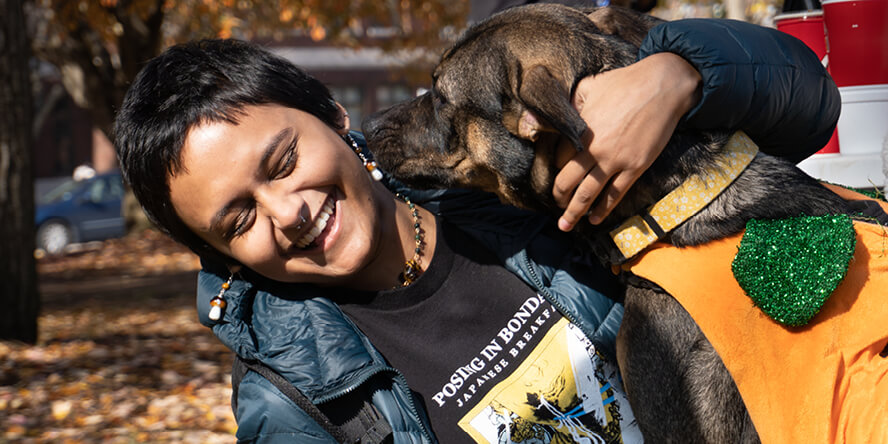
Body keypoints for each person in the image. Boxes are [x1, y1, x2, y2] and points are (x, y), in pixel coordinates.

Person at [114, 15, 838, 444]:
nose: (288, 213)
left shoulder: (510, 184)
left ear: (335, 118)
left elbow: (811, 103)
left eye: (282, 161)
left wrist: (681, 74)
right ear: (217, 252)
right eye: (238, 219)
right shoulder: (287, 401)